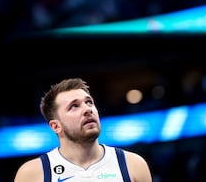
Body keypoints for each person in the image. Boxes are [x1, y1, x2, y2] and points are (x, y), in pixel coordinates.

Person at [14, 78, 152, 182]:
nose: (87, 109)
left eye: (89, 102)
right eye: (74, 106)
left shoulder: (133, 165)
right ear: (56, 126)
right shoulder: (32, 174)